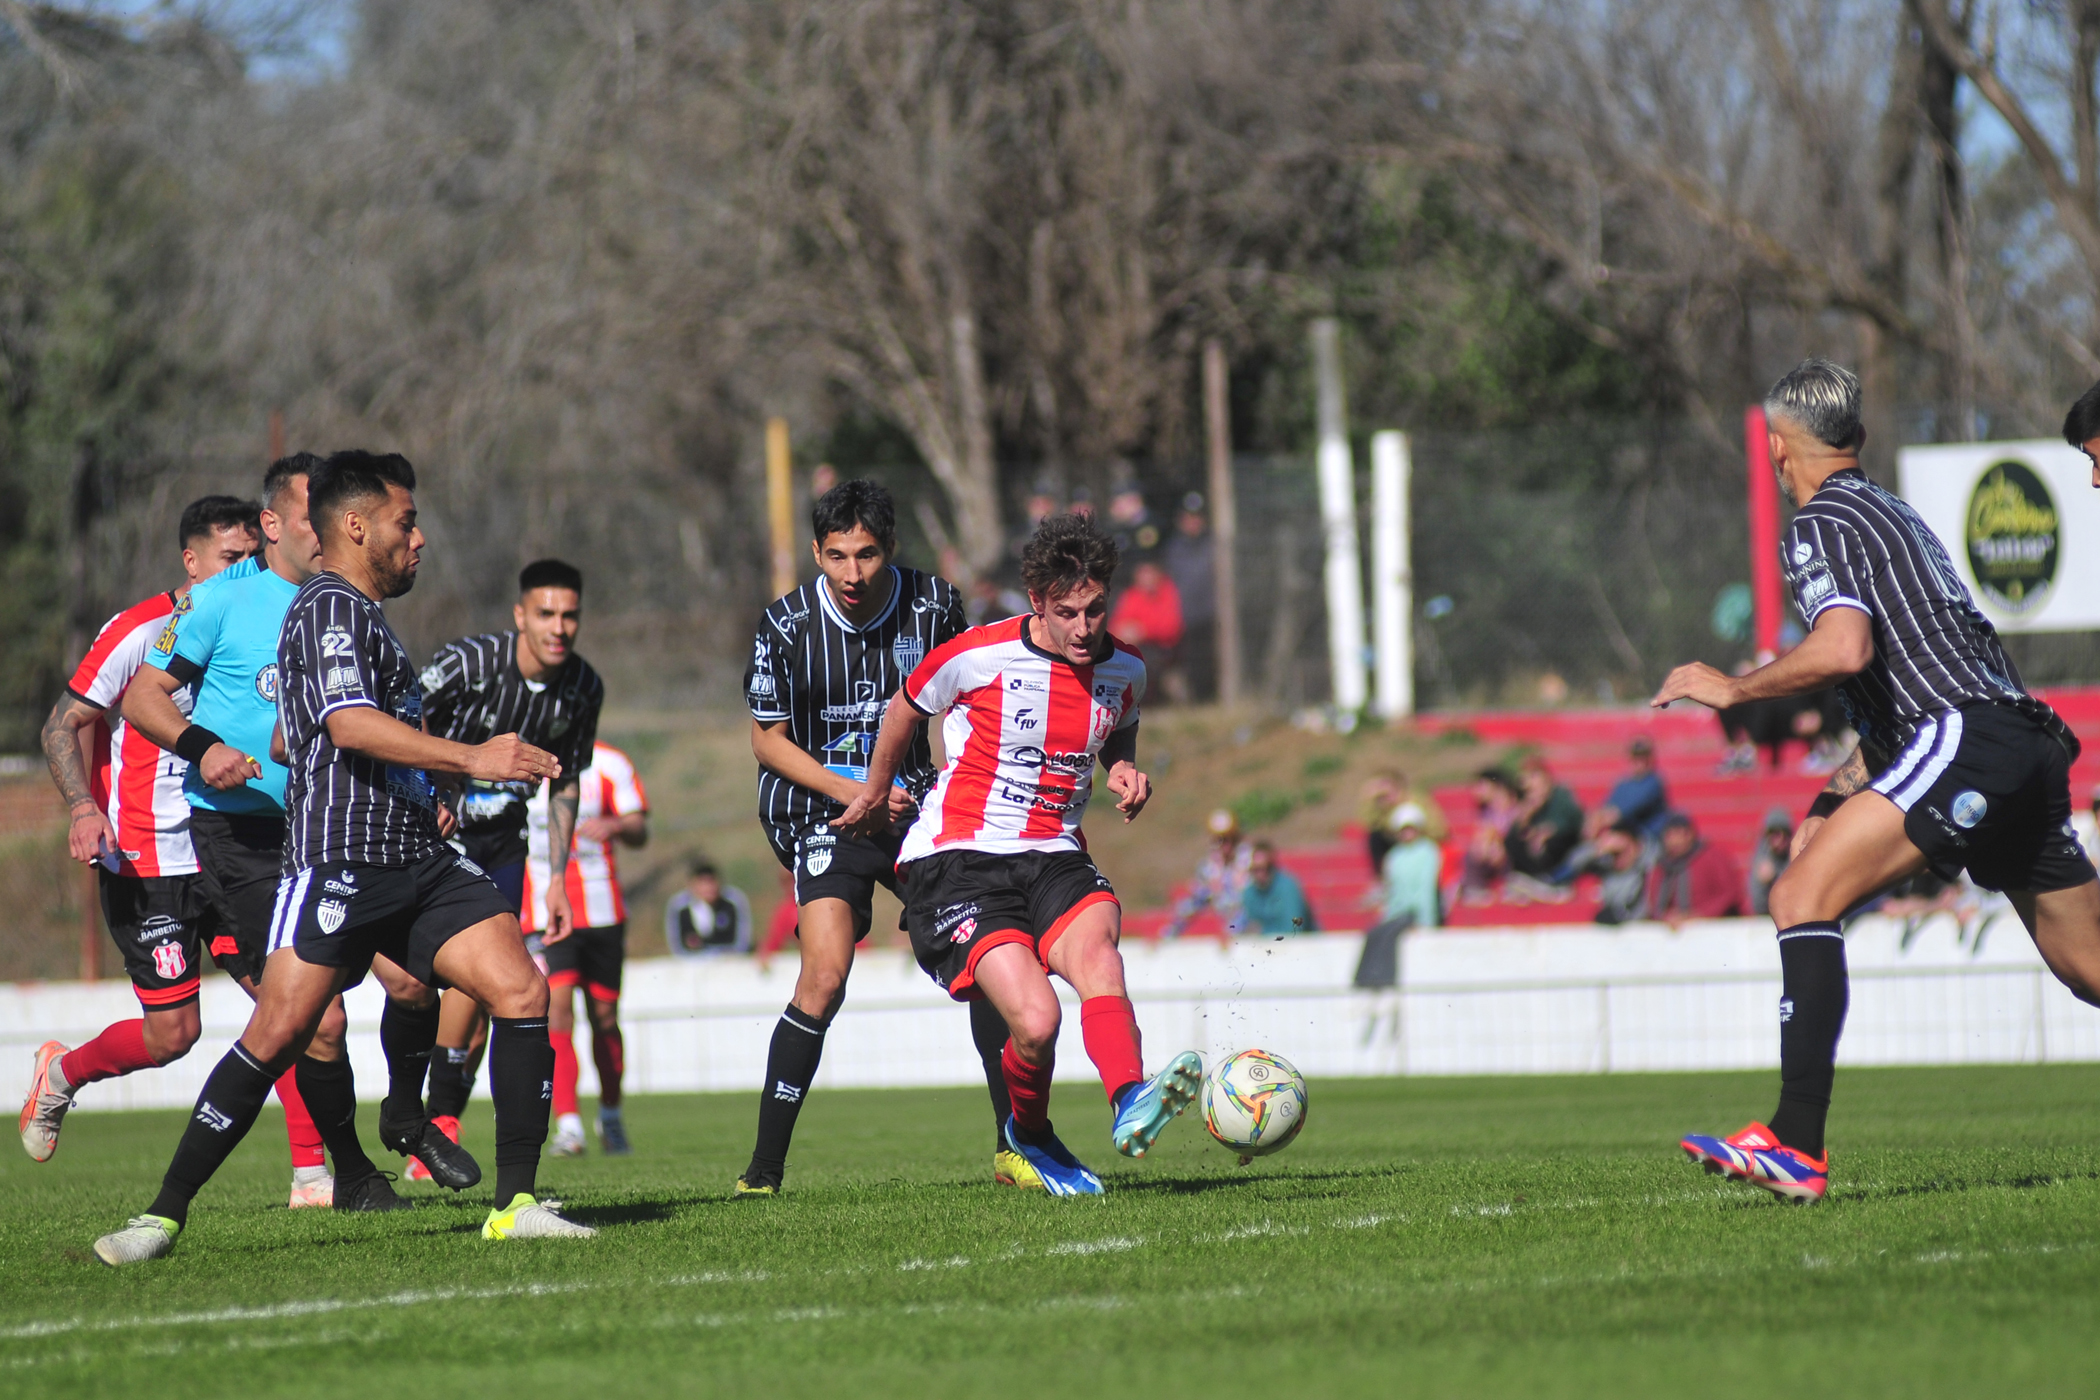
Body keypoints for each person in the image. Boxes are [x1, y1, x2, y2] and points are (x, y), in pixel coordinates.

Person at [91, 450, 591, 1267]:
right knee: (280, 1032)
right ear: (357, 526)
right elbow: (348, 724)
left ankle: (516, 1205)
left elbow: (295, 736)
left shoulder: (360, 614)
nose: (419, 539)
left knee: (521, 988)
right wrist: (470, 758)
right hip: (341, 860)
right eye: (406, 521)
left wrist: (419, 776)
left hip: (416, 856)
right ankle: (162, 1215)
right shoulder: (329, 607)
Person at [1657, 360, 2100, 1204]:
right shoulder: (1892, 512)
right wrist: (1833, 797)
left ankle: (1795, 1144)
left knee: (1800, 895)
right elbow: (1901, 687)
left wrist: (1734, 689)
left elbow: (1845, 649)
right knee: (2090, 966)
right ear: (1855, 437)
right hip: (2019, 739)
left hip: (1969, 738)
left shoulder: (1818, 523)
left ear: (1778, 450)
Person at [124, 457, 475, 1204]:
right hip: (245, 838)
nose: (328, 529)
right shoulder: (218, 600)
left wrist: (426, 791)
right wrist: (204, 747)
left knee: (414, 983)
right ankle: (351, 1173)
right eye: (311, 515)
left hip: (339, 831)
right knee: (320, 1018)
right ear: (274, 524)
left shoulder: (351, 603)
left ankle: (405, 1115)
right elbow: (143, 696)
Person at [835, 510, 1206, 1196]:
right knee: (1037, 1023)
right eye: (1067, 613)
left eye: (1095, 610)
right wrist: (876, 791)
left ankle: (1130, 1097)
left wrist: (1123, 767)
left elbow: (1120, 723)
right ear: (1037, 602)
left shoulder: (1126, 668)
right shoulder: (978, 654)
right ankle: (1028, 1137)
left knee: (1100, 953)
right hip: (959, 858)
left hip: (1055, 852)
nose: (1083, 628)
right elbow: (905, 707)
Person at [19, 498, 324, 1181]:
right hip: (148, 857)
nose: (245, 569)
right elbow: (61, 724)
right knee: (173, 1035)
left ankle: (312, 1176)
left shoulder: (261, 620)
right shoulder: (139, 631)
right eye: (230, 558)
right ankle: (62, 1073)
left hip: (230, 845)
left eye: (253, 557)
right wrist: (83, 809)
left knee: (287, 1005)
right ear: (191, 560)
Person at [738, 478, 1020, 1195]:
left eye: (866, 554)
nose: (853, 572)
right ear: (816, 552)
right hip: (821, 812)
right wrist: (857, 792)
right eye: (837, 556)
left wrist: (960, 789)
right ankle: (762, 1173)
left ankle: (1013, 1148)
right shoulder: (785, 625)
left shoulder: (933, 604)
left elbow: (965, 704)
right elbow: (767, 741)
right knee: (825, 974)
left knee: (989, 960)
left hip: (914, 807)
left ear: (890, 548)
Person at [413, 559, 605, 1174]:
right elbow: (402, 711)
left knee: (489, 997)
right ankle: (417, 1117)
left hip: (504, 848)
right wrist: (437, 786)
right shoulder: (469, 663)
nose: (559, 627)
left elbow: (566, 781)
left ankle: (439, 1123)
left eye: (569, 615)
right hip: (433, 840)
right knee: (440, 989)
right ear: (521, 615)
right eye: (546, 613)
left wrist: (556, 880)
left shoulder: (584, 687)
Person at [522, 740, 648, 1158]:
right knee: (557, 1010)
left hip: (602, 910)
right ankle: (569, 1126)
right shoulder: (520, 762)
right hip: (545, 911)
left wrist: (616, 825)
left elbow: (639, 829)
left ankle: (611, 1117)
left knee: (605, 1018)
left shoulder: (611, 762)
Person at [1643, 813, 1744, 926]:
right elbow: (1653, 900)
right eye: (1670, 836)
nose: (1676, 841)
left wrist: (1700, 915)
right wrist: (1667, 917)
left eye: (1681, 834)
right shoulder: (1661, 865)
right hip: (1673, 926)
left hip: (1712, 925)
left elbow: (1730, 893)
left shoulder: (1711, 857)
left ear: (1691, 834)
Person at [1162, 808, 1251, 937]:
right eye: (1219, 840)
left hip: (1249, 920)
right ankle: (1168, 935)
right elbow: (1197, 897)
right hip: (1225, 917)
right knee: (1186, 906)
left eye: (1228, 839)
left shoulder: (1250, 861)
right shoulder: (1209, 867)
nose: (1224, 845)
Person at [1504, 757, 1584, 894]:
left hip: (1562, 846)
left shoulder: (1560, 795)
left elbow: (1573, 821)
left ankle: (1552, 880)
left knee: (1553, 842)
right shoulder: (1527, 802)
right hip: (1536, 849)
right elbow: (1516, 832)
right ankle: (1531, 879)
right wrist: (1525, 817)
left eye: (1534, 776)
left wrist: (1548, 831)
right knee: (1513, 841)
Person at [1106, 559, 1183, 697]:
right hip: (1138, 647)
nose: (1145, 578)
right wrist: (1125, 633)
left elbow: (1172, 627)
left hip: (1163, 648)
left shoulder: (1168, 592)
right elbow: (1116, 625)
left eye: (1149, 573)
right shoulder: (1132, 595)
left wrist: (1143, 631)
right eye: (1142, 574)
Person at [666, 857, 754, 955]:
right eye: (703, 883)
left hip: (728, 959)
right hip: (693, 962)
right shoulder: (679, 907)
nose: (708, 888)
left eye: (711, 882)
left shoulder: (734, 901)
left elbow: (742, 941)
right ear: (692, 885)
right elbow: (677, 946)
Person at [1379, 805, 1441, 930]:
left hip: (1420, 917)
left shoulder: (1428, 851)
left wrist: (1426, 919)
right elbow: (1391, 888)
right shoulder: (1394, 855)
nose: (1407, 833)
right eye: (1403, 829)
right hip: (1397, 916)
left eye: (1410, 829)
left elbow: (1427, 887)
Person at [1236, 841, 1317, 934]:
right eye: (1256, 869)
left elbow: (1294, 929)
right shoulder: (1249, 893)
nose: (1260, 874)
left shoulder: (1288, 888)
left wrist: (1262, 932)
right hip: (1266, 942)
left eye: (1265, 868)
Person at [1748, 807, 1795, 916]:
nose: (1780, 839)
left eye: (1784, 833)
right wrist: (1764, 884)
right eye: (1774, 834)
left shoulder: (1796, 857)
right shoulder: (1762, 859)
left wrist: (1777, 877)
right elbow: (1758, 905)